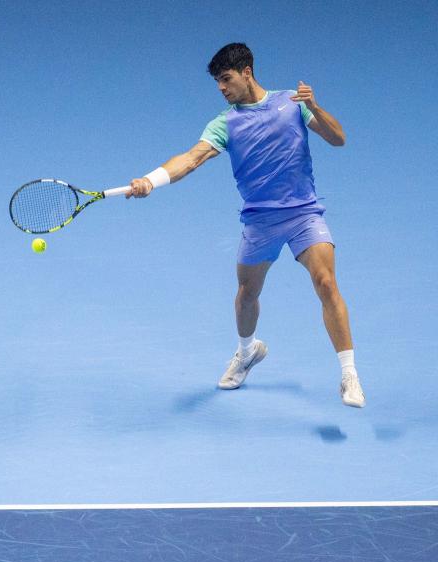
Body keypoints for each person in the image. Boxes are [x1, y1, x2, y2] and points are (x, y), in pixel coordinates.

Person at [126, 42, 365, 408]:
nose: (221, 88)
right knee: (247, 294)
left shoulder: (292, 103)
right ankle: (247, 350)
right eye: (218, 82)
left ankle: (349, 374)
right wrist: (149, 180)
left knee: (327, 282)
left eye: (226, 79)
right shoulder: (225, 123)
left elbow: (338, 138)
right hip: (259, 221)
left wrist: (314, 107)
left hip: (303, 214)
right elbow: (191, 159)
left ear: (247, 72)